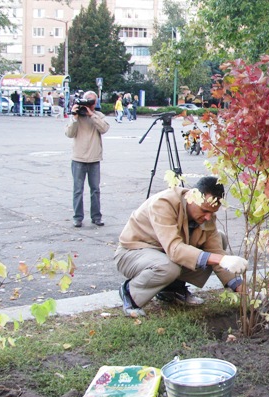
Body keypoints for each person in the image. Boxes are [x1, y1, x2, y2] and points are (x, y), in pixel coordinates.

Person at [114, 176, 249, 317]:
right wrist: (220, 259)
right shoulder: (164, 204)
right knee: (168, 267)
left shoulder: (207, 216)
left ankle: (172, 289)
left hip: (162, 255)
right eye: (204, 210)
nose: (208, 217)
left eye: (212, 212)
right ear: (192, 197)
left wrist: (243, 290)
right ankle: (131, 293)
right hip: (132, 253)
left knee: (219, 239)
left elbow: (215, 250)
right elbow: (175, 249)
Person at [65, 90, 110, 228]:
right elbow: (69, 133)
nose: (89, 104)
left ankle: (96, 216)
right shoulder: (77, 116)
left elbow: (104, 129)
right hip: (78, 158)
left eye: (92, 101)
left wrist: (92, 115)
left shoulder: (99, 115)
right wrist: (74, 116)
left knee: (95, 189)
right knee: (78, 190)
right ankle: (78, 217)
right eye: (87, 101)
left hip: (94, 158)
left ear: (95, 103)